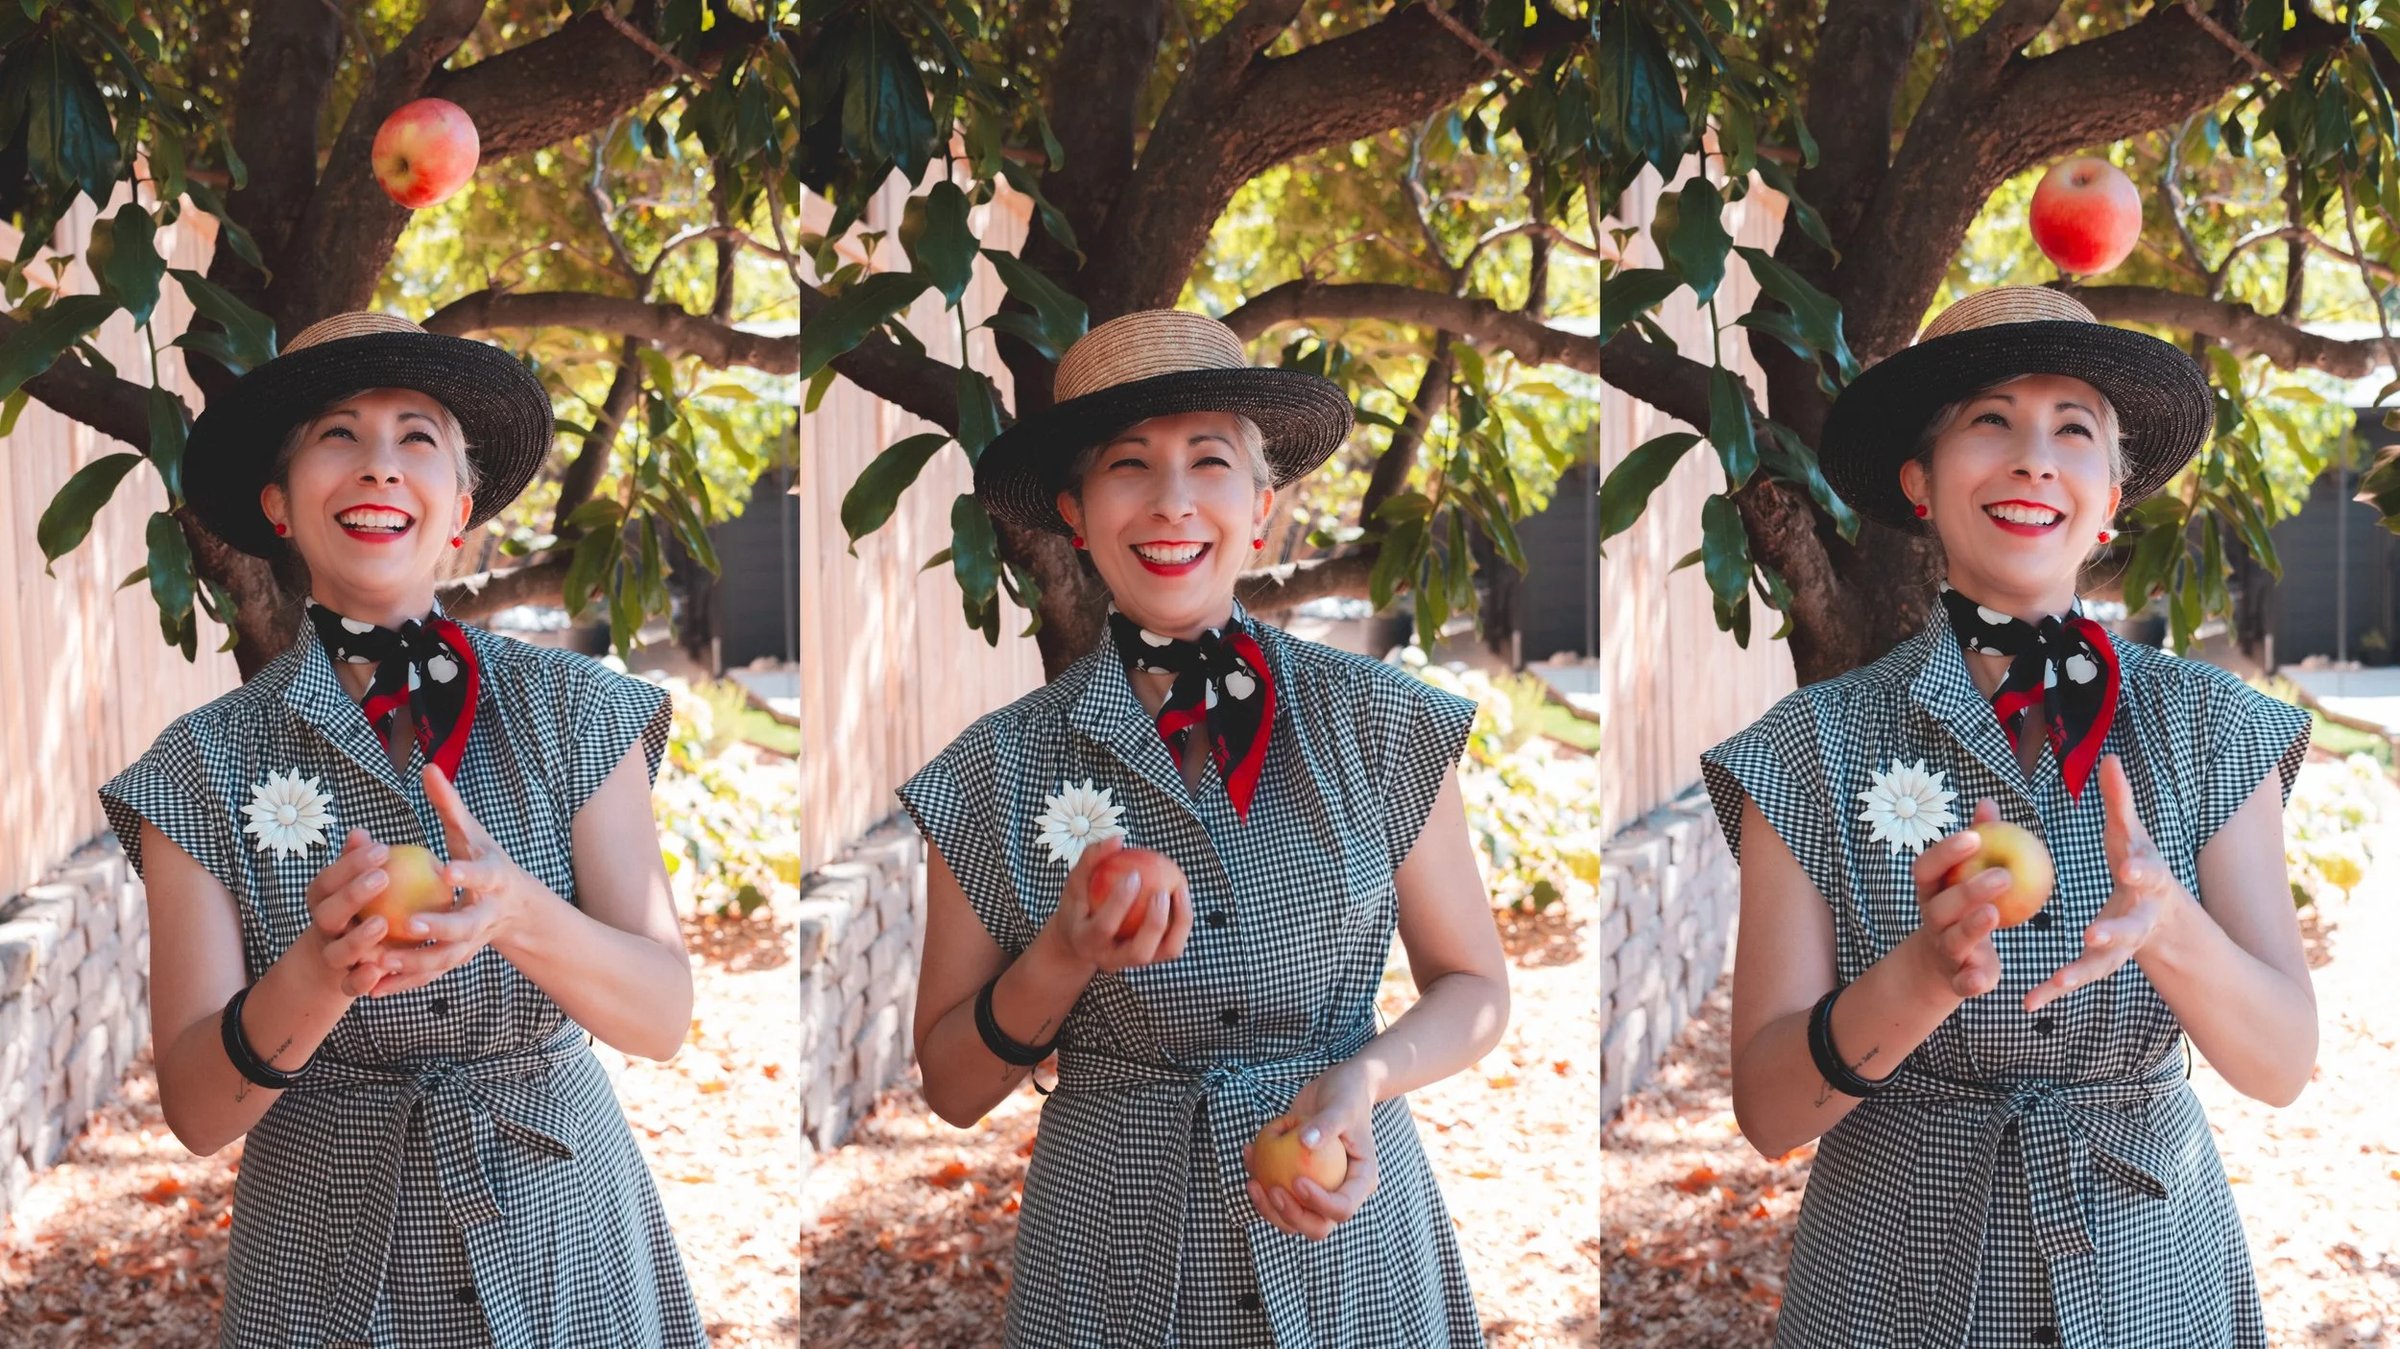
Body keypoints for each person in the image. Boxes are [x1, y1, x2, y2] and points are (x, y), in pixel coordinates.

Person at [1700, 286, 2317, 1348]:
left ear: (2112, 495)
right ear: (1920, 482)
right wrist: (1922, 975)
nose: (2035, 458)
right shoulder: (1808, 748)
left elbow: (2282, 1063)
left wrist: (2169, 926)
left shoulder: (2214, 729)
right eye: (1991, 419)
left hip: (2149, 1274)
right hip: (1891, 1276)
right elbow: (1768, 1111)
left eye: (2074, 430)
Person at [894, 309, 1512, 1346]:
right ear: (1076, 515)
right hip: (1107, 1263)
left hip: (1352, 1244)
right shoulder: (991, 771)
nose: (1172, 501)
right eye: (1129, 466)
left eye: (1209, 461)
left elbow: (1477, 987)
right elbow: (953, 1086)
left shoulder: (1383, 723)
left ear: (1261, 508)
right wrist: (1061, 953)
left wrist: (1365, 1077)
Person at [99, 312, 707, 1346]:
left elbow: (661, 1013)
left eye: (417, 437)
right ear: (277, 504)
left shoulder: (578, 710)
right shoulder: (199, 766)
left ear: (460, 509)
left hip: (563, 1227)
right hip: (323, 1255)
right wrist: (320, 972)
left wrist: (519, 910)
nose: (380, 466)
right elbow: (199, 1111)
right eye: (337, 435)